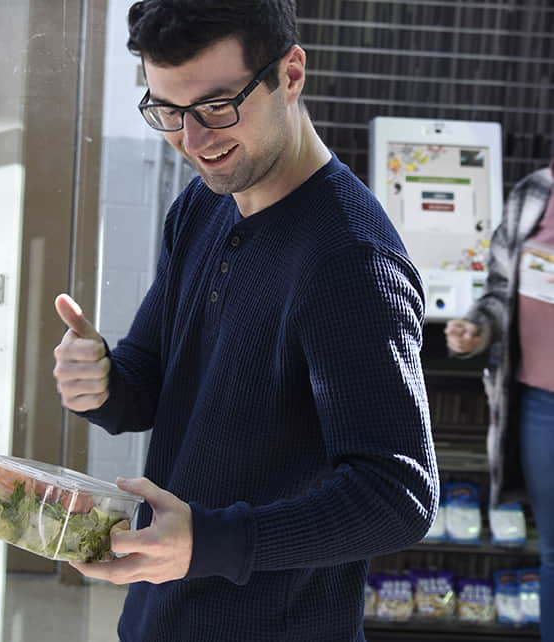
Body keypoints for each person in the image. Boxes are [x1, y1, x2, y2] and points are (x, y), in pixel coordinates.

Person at [52, 1, 439, 639]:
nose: (194, 141)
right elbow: (145, 384)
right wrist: (99, 383)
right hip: (160, 614)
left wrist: (209, 542)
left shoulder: (350, 258)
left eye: (216, 107)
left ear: (290, 74)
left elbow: (397, 497)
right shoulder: (203, 205)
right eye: (169, 112)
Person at [445, 161, 554, 641]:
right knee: (553, 552)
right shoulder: (534, 192)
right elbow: (501, 291)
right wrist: (478, 328)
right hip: (537, 405)